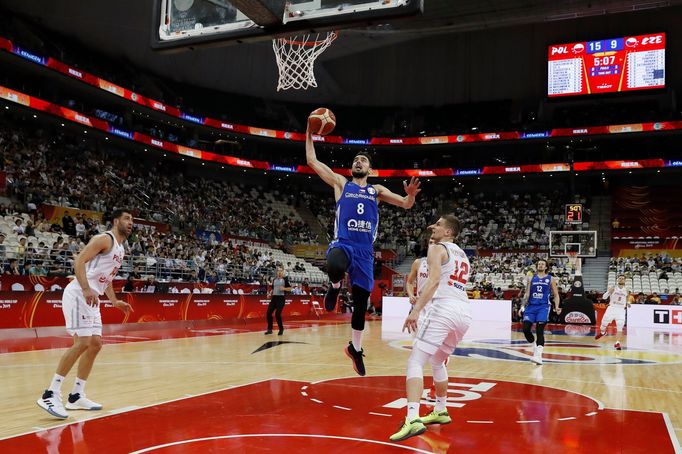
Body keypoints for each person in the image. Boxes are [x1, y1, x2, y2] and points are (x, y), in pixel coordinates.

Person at [306, 116, 421, 376]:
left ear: (369, 170)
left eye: (363, 160)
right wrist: (309, 130)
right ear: (352, 168)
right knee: (334, 264)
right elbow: (312, 161)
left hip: (365, 252)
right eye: (355, 160)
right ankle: (334, 287)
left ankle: (355, 349)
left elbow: (405, 204)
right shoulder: (340, 183)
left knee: (360, 303)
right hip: (344, 243)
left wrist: (410, 196)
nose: (358, 162)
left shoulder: (376, 190)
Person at [36, 209, 134, 419]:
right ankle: (50, 393)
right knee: (82, 342)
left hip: (92, 297)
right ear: (116, 221)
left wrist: (114, 301)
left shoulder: (120, 248)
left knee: (96, 344)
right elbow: (79, 260)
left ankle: (76, 396)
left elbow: (105, 279)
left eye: (132, 220)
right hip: (80, 293)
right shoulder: (104, 239)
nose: (130, 222)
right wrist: (86, 288)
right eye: (127, 218)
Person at [390, 215, 470, 442]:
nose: (432, 227)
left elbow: (434, 282)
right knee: (437, 361)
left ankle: (412, 418)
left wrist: (415, 311)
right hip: (463, 313)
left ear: (448, 232)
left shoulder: (436, 248)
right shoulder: (463, 255)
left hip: (442, 309)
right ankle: (441, 410)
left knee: (415, 361)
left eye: (438, 224)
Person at [520, 258, 561, 365]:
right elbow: (527, 294)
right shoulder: (531, 278)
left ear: (546, 267)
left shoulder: (550, 278)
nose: (541, 265)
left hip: (543, 307)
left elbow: (556, 294)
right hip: (531, 307)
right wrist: (522, 306)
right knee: (525, 329)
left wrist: (557, 307)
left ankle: (538, 356)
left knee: (539, 330)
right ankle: (534, 345)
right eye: (539, 264)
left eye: (543, 264)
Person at [595, 274, 630, 350]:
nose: (621, 279)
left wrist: (628, 303)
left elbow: (626, 299)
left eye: (622, 278)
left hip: (621, 310)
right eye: (620, 278)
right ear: (617, 280)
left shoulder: (627, 289)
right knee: (603, 324)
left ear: (625, 280)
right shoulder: (613, 288)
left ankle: (617, 343)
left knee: (620, 326)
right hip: (611, 308)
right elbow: (604, 297)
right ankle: (603, 332)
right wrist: (608, 292)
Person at [265, 267, 292, 336]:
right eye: (278, 271)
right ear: (276, 272)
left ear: (282, 272)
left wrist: (284, 288)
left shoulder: (285, 280)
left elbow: (290, 289)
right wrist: (270, 293)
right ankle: (270, 329)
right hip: (274, 298)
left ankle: (281, 329)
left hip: (281, 299)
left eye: (280, 271)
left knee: (277, 314)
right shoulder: (274, 280)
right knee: (268, 313)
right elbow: (273, 288)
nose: (279, 272)